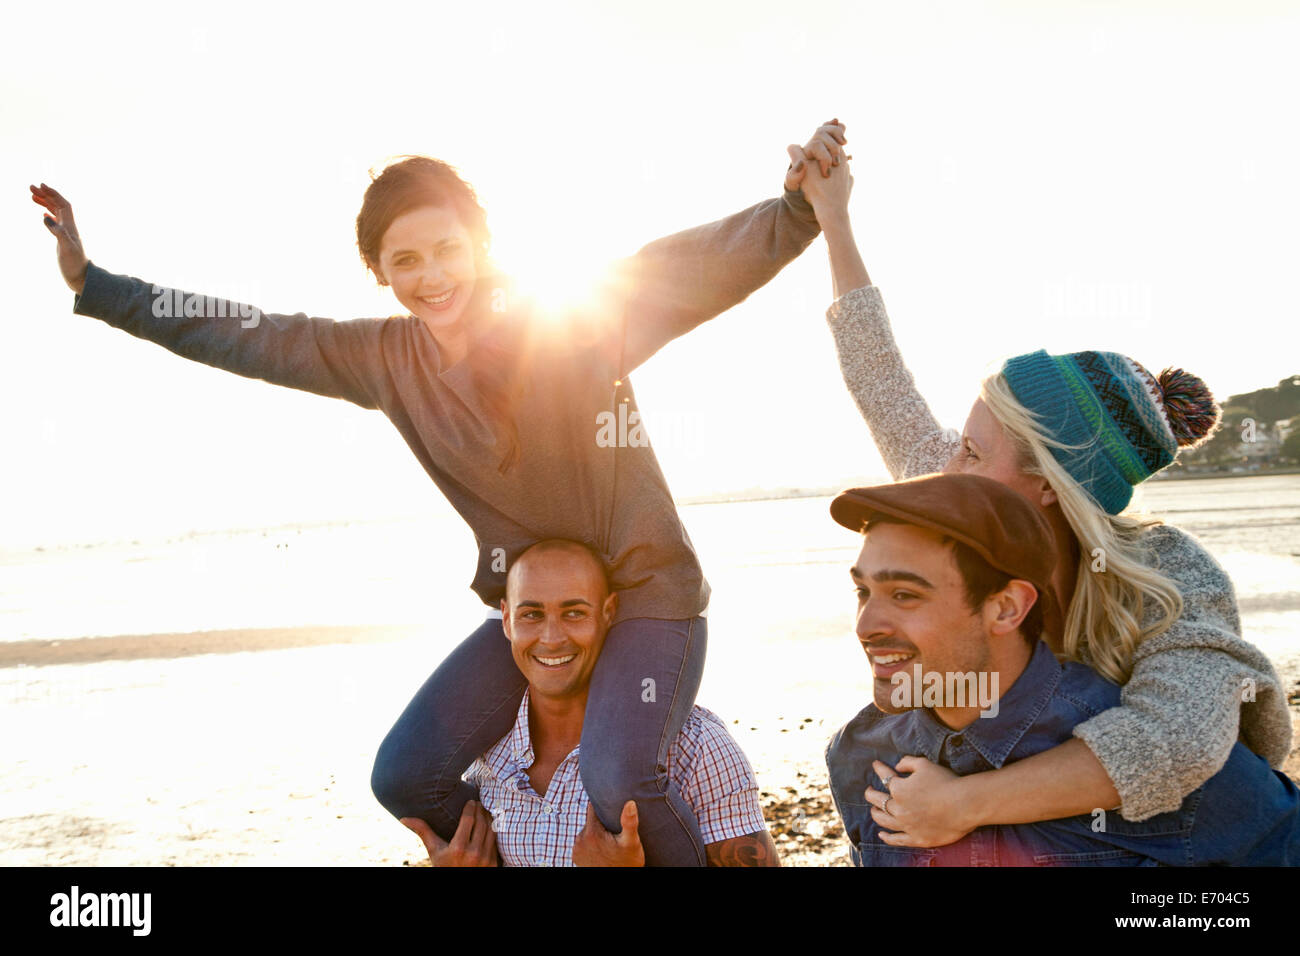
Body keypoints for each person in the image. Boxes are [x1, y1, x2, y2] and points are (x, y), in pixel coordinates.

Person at [30, 121, 838, 867]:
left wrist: (795, 211)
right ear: (377, 271)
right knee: (406, 773)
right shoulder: (382, 359)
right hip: (537, 610)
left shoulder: (566, 320)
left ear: (481, 245)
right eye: (404, 260)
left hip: (646, 594)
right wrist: (94, 283)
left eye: (446, 249)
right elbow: (240, 331)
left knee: (620, 772)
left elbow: (690, 269)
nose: (430, 276)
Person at [784, 128, 1292, 846]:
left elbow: (1174, 741)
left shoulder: (1171, 576)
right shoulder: (966, 499)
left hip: (1188, 842)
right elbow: (878, 377)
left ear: (1048, 485)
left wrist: (966, 804)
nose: (944, 466)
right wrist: (833, 215)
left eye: (972, 449)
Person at [825, 471, 1300, 866]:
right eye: (862, 592)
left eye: (905, 595)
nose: (867, 626)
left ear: (1007, 609)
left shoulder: (1147, 758)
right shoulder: (858, 753)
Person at [400, 538, 779, 867]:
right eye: (531, 614)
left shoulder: (696, 745)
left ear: (608, 614)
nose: (551, 638)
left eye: (574, 613)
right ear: (505, 621)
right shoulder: (485, 752)